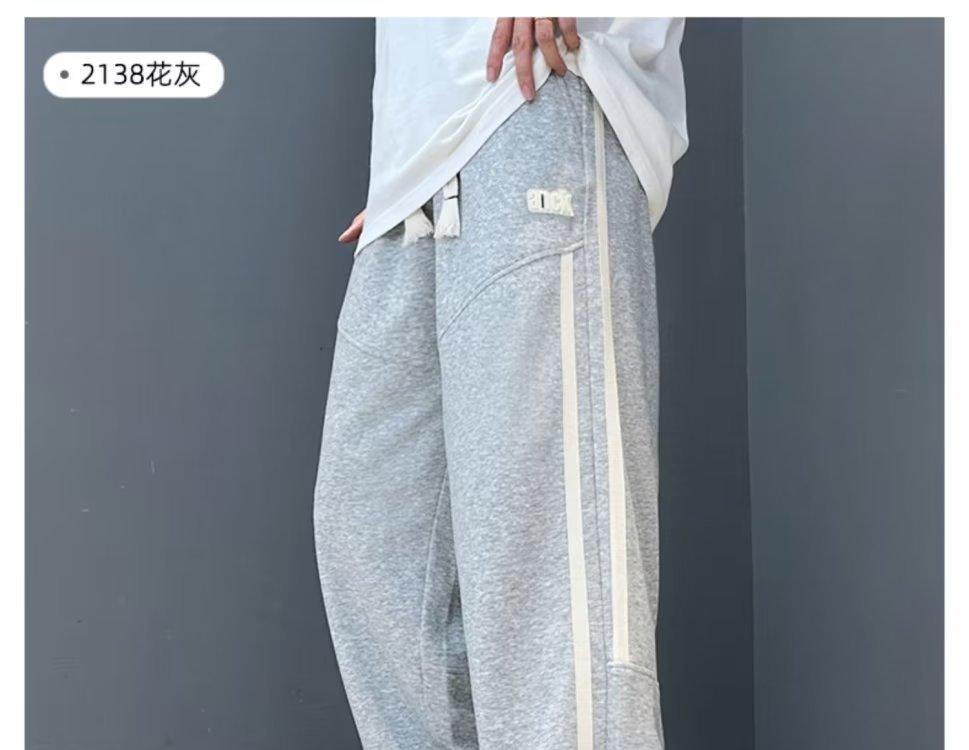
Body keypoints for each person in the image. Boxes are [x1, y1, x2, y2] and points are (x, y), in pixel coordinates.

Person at [314, 17, 688, 749]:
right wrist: (409, 152)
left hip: (537, 92)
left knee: (549, 586)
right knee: (376, 550)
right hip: (419, 162)